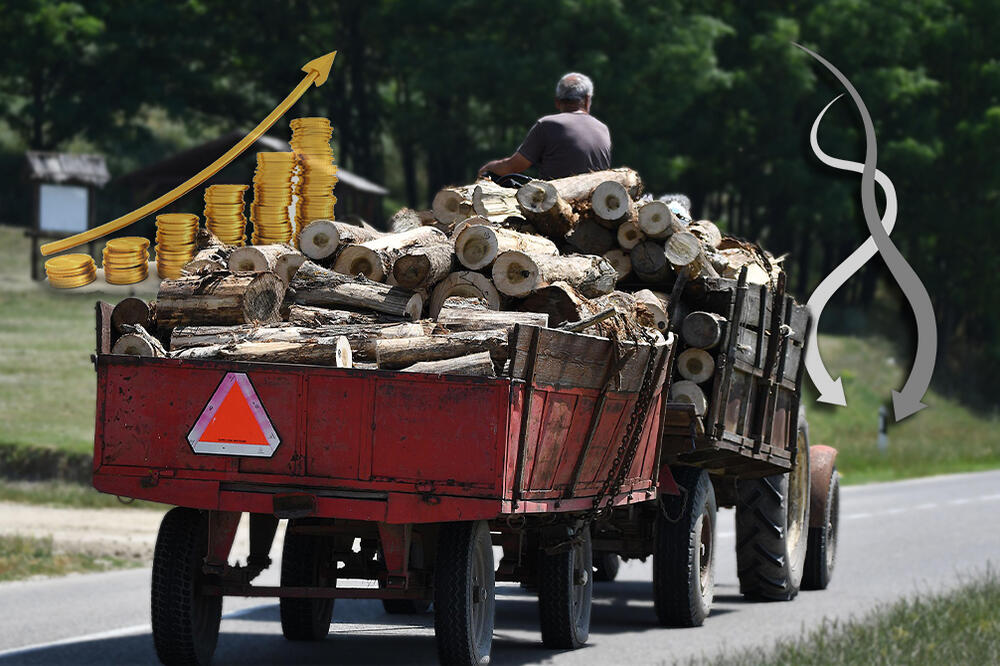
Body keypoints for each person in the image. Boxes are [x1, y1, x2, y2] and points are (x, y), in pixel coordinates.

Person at [478, 72, 611, 181]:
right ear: (587, 100)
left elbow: (514, 167)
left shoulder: (547, 125)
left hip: (556, 205)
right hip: (596, 204)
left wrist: (489, 168)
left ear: (557, 102)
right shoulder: (603, 128)